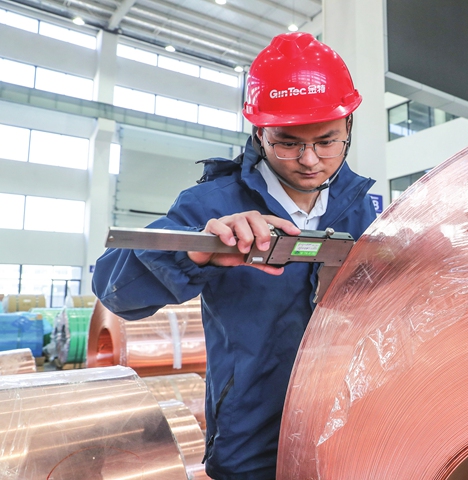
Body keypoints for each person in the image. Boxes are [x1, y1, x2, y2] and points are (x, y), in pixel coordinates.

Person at [92, 32, 377, 480]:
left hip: (350, 420)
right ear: (259, 132)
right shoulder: (212, 205)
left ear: (348, 129)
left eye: (327, 142)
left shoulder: (364, 207)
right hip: (250, 434)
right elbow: (114, 291)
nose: (308, 160)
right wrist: (196, 249)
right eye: (287, 143)